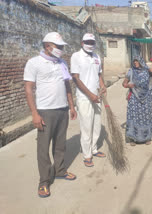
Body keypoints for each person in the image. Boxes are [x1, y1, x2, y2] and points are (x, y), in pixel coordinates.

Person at [24, 32, 77, 198]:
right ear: (48, 46)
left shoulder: (61, 63)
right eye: (58, 46)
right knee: (43, 148)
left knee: (60, 144)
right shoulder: (34, 63)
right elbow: (28, 89)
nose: (61, 49)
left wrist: (71, 105)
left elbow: (67, 85)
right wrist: (34, 113)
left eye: (62, 46)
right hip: (45, 111)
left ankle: (60, 170)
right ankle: (44, 181)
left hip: (62, 110)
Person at [71, 33, 107, 167]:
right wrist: (90, 94)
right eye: (87, 42)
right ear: (82, 43)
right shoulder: (76, 56)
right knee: (86, 127)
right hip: (84, 98)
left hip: (97, 97)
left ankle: (94, 149)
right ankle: (87, 155)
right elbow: (75, 77)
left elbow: (99, 74)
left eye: (92, 42)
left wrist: (103, 86)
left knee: (96, 125)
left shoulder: (97, 57)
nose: (90, 45)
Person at [122, 56, 152, 146]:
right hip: (134, 99)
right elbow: (124, 83)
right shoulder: (130, 72)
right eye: (134, 61)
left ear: (141, 61)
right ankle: (132, 138)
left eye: (137, 61)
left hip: (146, 98)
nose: (135, 62)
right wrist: (128, 85)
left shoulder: (147, 71)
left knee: (146, 116)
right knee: (133, 116)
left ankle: (147, 138)